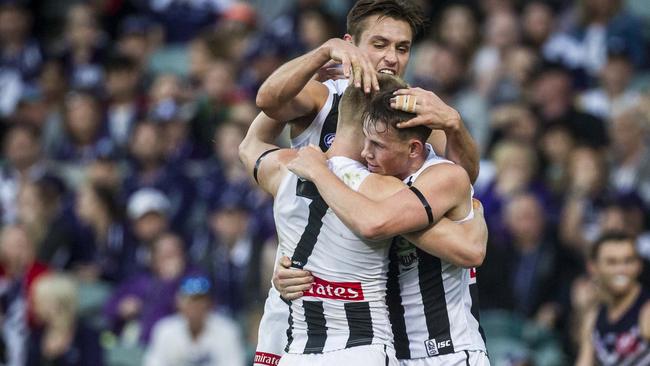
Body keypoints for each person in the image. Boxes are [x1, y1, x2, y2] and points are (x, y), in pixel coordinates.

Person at [240, 73, 487, 365]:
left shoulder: (436, 177)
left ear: (413, 148)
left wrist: (321, 174)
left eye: (378, 145)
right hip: (381, 348)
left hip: (445, 352)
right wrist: (293, 265)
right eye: (368, 140)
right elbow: (257, 126)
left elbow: (470, 249)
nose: (368, 153)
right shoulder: (374, 183)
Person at [576, 232, 650, 366]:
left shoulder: (646, 311)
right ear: (593, 267)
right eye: (612, 262)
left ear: (639, 265)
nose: (621, 269)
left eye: (628, 261)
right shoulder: (593, 316)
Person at [144, 275, 245, 366]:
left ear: (209, 303)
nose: (194, 306)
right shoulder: (165, 330)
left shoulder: (227, 331)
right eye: (189, 300)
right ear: (178, 303)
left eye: (200, 300)